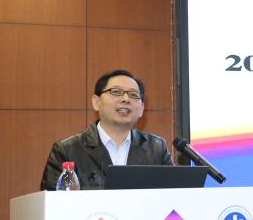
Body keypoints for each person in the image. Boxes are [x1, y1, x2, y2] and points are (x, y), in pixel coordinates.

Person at [40, 69, 173, 190]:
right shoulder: (67, 150)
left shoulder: (156, 148)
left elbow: (173, 198)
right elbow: (51, 204)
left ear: (142, 108)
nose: (125, 99)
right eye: (116, 92)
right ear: (96, 102)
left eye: (133, 94)